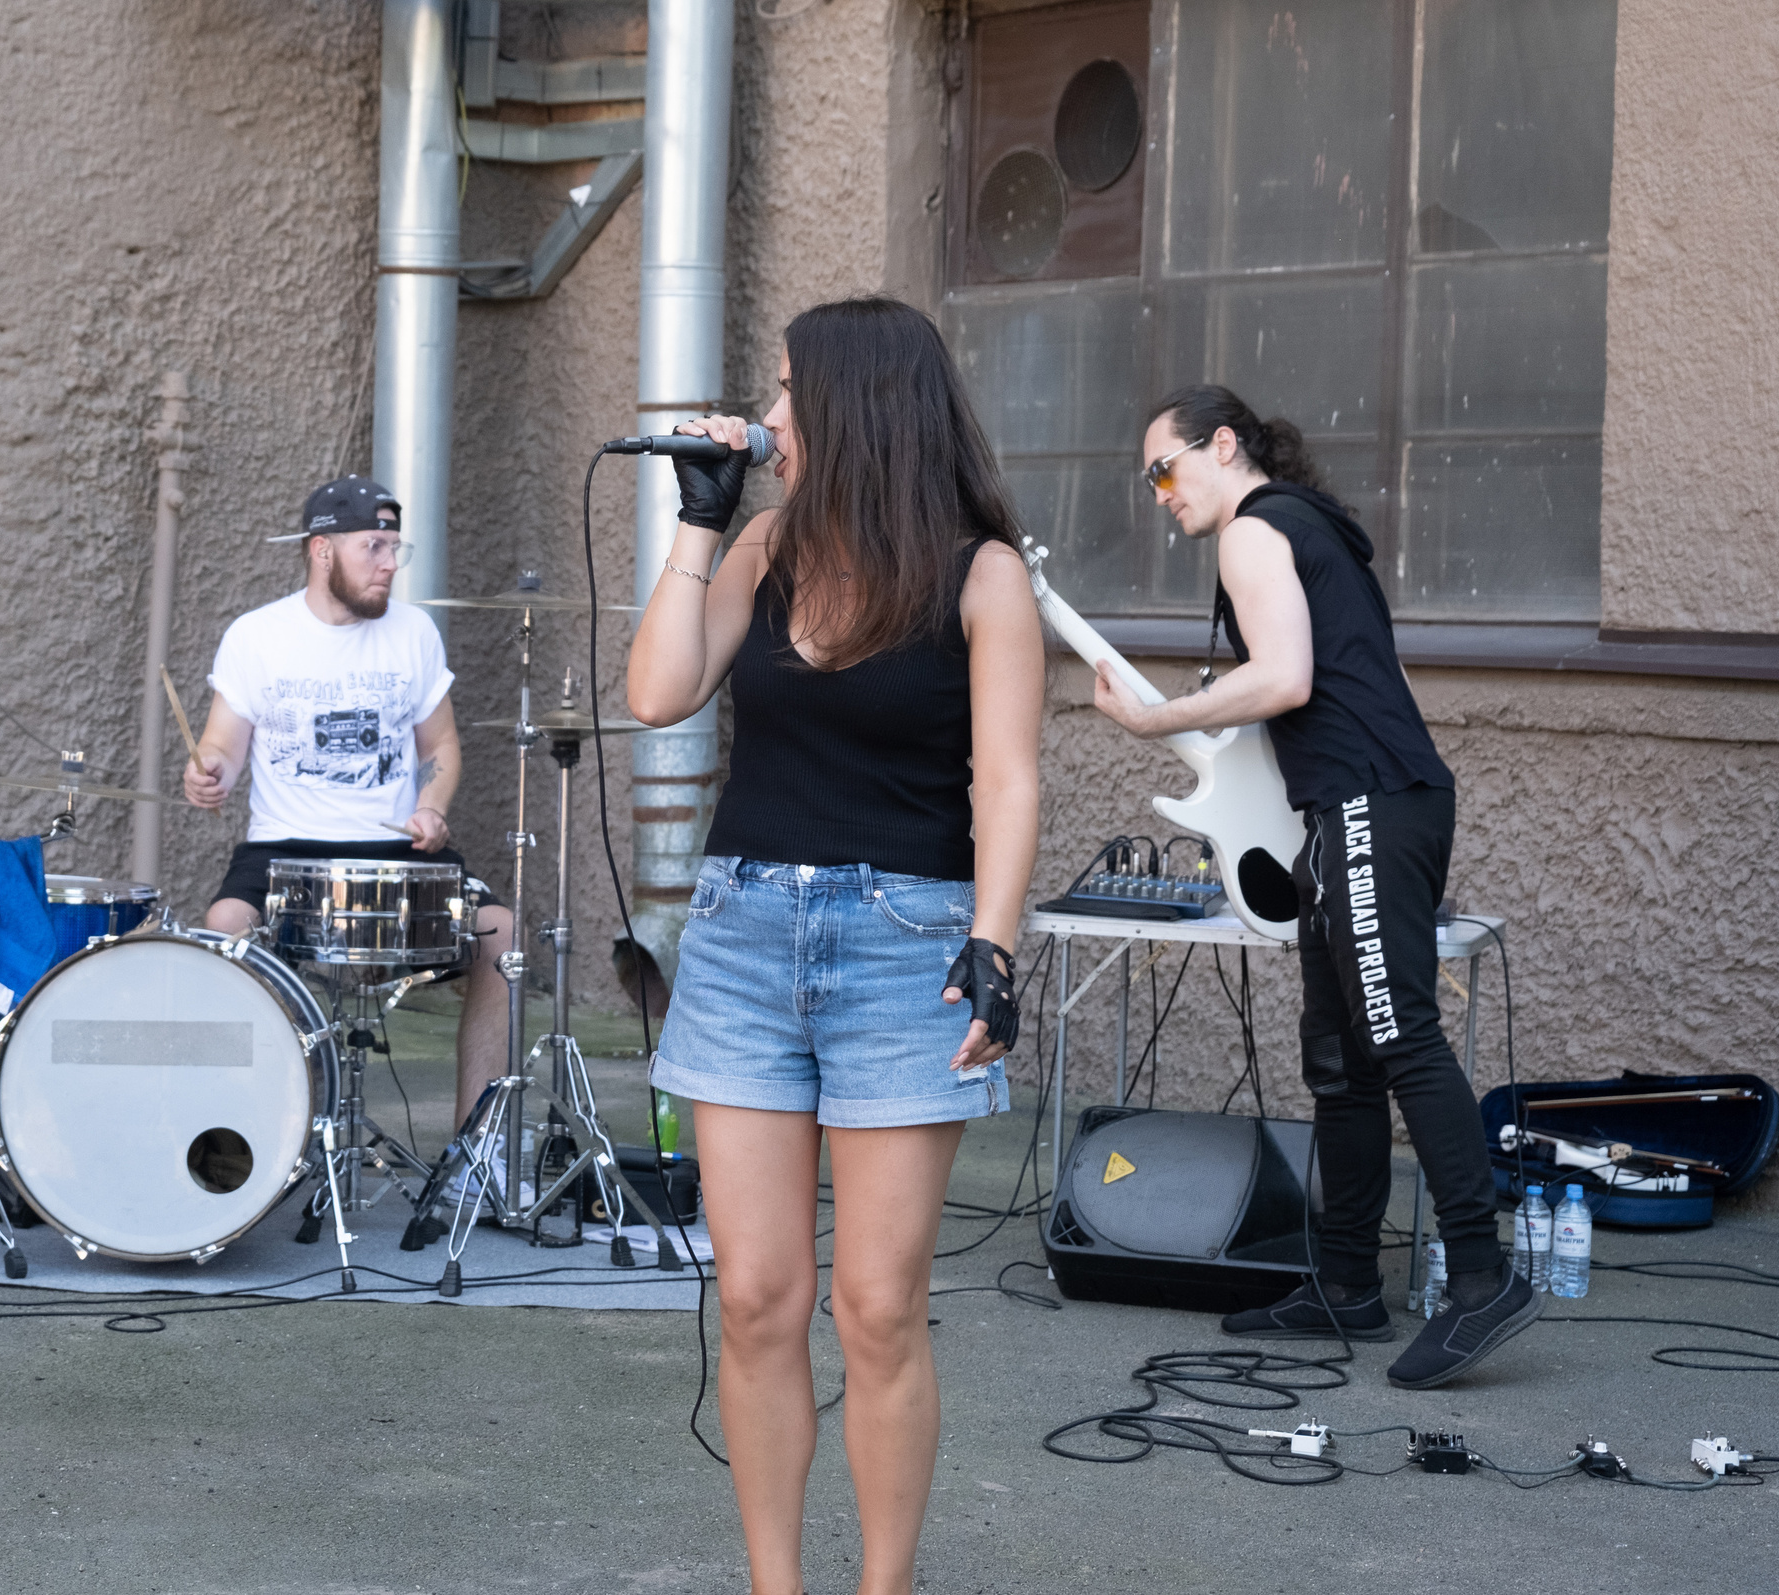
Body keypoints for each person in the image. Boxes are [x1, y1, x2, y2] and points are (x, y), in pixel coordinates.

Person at [627, 297, 1043, 1595]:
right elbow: (655, 692)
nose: (773, 409)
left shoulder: (982, 575)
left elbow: (1012, 780)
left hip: (904, 945)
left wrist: (996, 942)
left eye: (793, 389)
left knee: (874, 1304)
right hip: (746, 932)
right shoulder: (764, 545)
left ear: (860, 403)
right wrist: (698, 523)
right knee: (754, 1295)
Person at [1095, 384, 1538, 1389]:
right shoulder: (1293, 529)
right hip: (1354, 807)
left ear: (1220, 445)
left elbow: (1286, 676)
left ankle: (1481, 1275)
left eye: (1164, 467)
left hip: (1375, 803)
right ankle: (1345, 1281)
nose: (1158, 491)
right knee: (1339, 1055)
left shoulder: (1255, 532)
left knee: (1396, 1032)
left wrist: (1153, 719)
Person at [183, 475, 512, 1128]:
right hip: (285, 848)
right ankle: (253, 1138)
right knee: (223, 929)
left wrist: (433, 804)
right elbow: (221, 743)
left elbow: (441, 746)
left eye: (396, 547)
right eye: (374, 547)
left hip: (393, 847)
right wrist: (208, 771)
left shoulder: (413, 632)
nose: (390, 563)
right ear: (322, 550)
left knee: (502, 935)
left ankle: (479, 1150)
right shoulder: (257, 636)